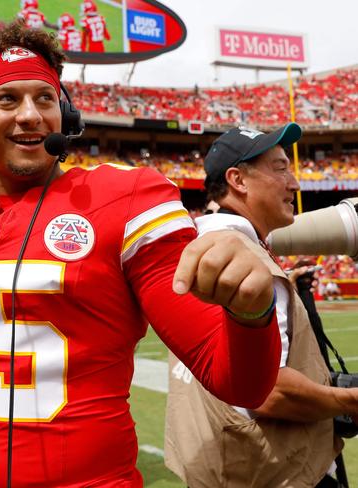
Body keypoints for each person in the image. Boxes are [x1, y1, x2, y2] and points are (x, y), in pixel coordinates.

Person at [0, 23, 281, 487]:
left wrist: (251, 313)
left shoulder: (125, 197)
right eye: (7, 99)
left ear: (65, 111)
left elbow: (238, 385)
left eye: (45, 98)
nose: (31, 115)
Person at [164, 124, 356, 488]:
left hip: (215, 466)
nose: (295, 183)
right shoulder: (249, 265)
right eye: (280, 168)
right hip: (274, 473)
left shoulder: (198, 243)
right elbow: (268, 391)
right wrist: (348, 400)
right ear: (238, 180)